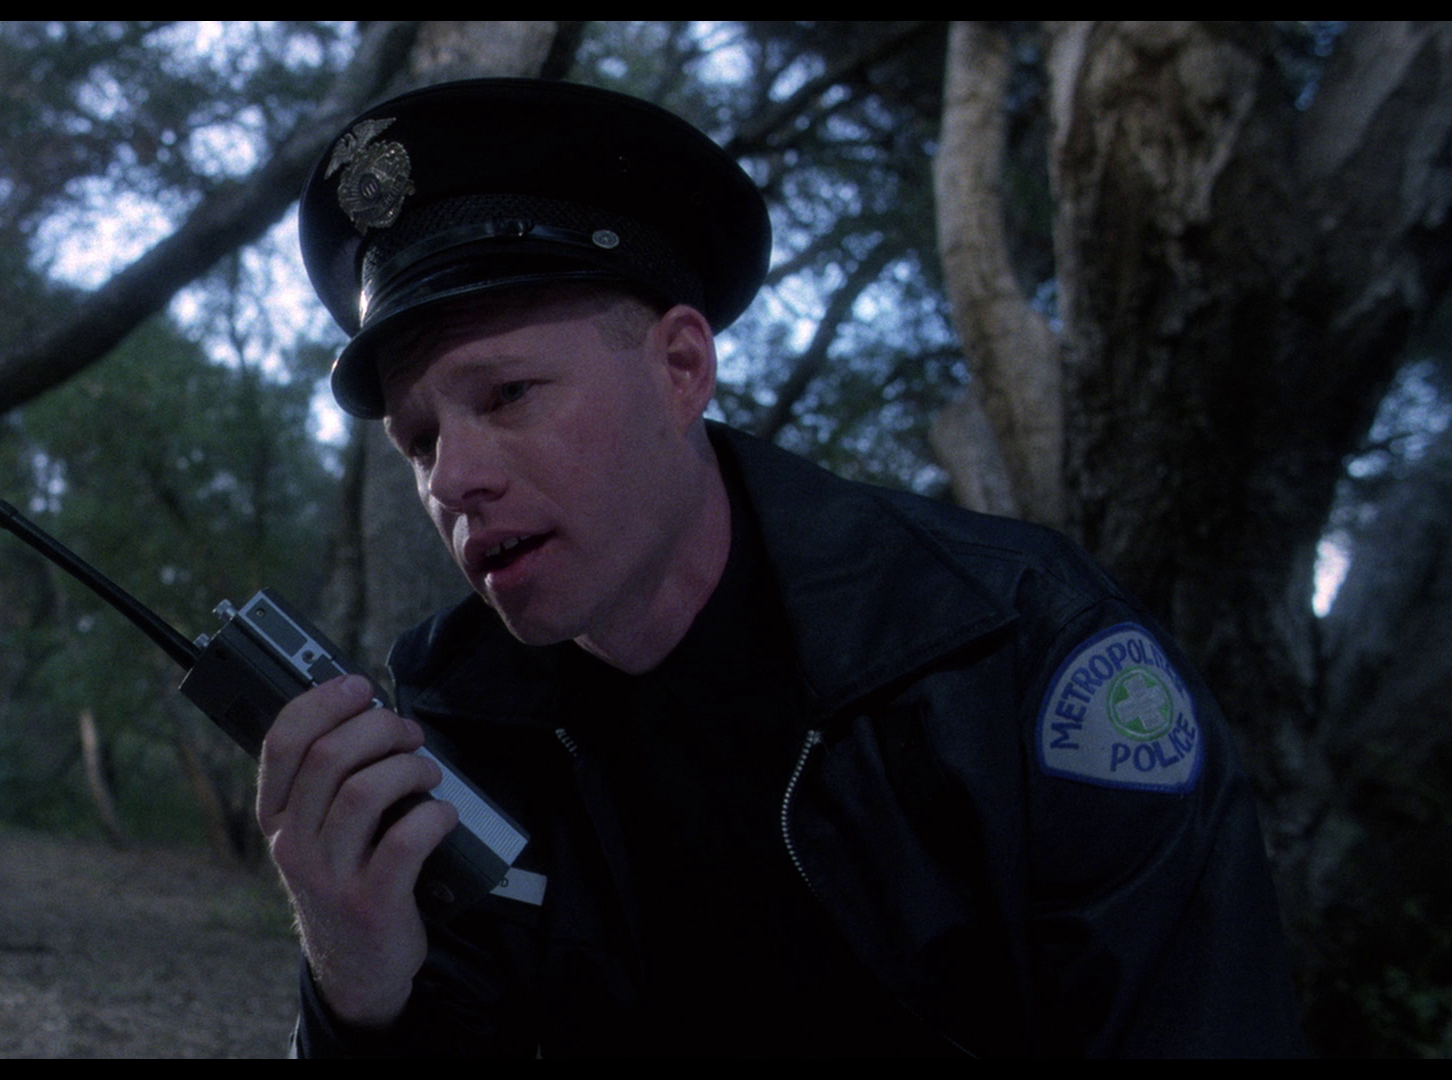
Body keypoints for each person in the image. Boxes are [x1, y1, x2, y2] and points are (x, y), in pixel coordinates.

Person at [259, 78, 1305, 1057]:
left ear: (681, 369)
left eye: (507, 395)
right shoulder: (454, 731)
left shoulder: (1014, 653)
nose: (454, 478)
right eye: (420, 440)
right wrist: (357, 995)